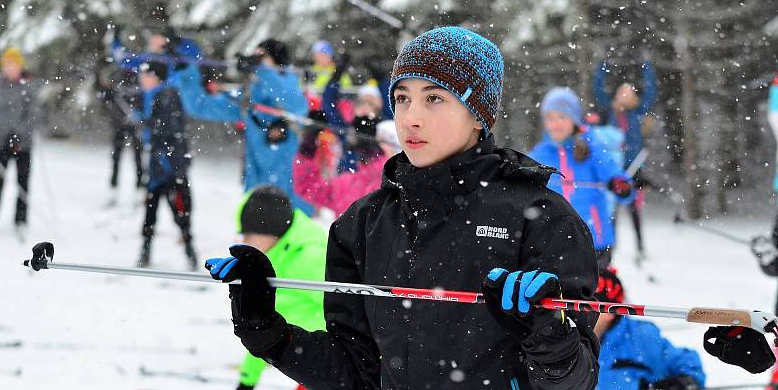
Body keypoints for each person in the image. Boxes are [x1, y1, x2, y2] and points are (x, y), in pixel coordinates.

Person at [205, 27, 600, 389]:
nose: (411, 118)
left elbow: (576, 381)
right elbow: (358, 372)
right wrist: (270, 332)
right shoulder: (363, 223)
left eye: (434, 99)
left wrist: (550, 334)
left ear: (480, 115)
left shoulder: (544, 218)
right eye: (402, 98)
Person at [172, 39, 313, 215]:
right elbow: (201, 106)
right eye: (254, 56)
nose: (255, 60)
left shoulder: (292, 87)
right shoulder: (248, 96)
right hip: (256, 194)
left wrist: (262, 71)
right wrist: (187, 73)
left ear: (277, 62)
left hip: (292, 199)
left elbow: (295, 103)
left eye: (261, 56)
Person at [207, 185, 327, 390]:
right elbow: (264, 326)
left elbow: (350, 317)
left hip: (332, 365)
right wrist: (247, 380)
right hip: (306, 360)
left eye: (247, 235)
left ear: (268, 232)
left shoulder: (310, 259)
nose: (243, 241)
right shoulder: (277, 257)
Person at [529, 87, 635, 268]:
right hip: (553, 242)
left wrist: (621, 186)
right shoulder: (539, 154)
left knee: (594, 294)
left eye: (562, 117)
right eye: (550, 118)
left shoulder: (592, 145)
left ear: (574, 119)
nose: (556, 124)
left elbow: (613, 174)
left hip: (594, 240)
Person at [594, 268, 705, 390]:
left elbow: (687, 362)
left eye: (590, 305)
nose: (578, 313)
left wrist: (684, 381)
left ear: (610, 312)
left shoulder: (641, 337)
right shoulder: (571, 336)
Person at [134, 61, 197, 270]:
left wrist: (149, 124)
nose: (141, 80)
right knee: (151, 211)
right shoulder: (154, 95)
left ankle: (191, 254)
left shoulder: (167, 94)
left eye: (144, 75)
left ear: (155, 77)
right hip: (159, 165)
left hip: (170, 167)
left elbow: (170, 129)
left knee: (179, 211)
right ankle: (146, 252)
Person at [594, 60, 657, 259]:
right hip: (614, 167)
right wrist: (602, 68)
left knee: (633, 208)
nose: (625, 94)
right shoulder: (609, 111)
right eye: (622, 91)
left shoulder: (637, 113)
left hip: (634, 166)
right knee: (611, 207)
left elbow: (651, 92)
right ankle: (610, 244)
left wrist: (646, 67)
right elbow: (598, 89)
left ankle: (640, 245)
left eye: (629, 92)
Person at [0, 47, 41, 234]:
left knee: (22, 182)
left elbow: (33, 115)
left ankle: (20, 220)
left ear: (19, 65)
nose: (10, 68)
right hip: (3, 142)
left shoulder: (28, 85)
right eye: (7, 64)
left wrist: (19, 134)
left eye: (13, 64)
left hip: (23, 144)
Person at [294, 119, 400, 217]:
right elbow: (307, 187)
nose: (378, 147)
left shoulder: (402, 187)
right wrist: (307, 153)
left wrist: (377, 160)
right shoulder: (347, 183)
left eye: (385, 142)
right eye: (376, 141)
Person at [96, 67, 144, 201]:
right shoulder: (118, 80)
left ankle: (137, 183)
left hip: (131, 125)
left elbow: (106, 99)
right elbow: (106, 98)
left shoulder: (131, 81)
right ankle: (116, 184)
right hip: (123, 125)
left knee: (135, 156)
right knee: (121, 156)